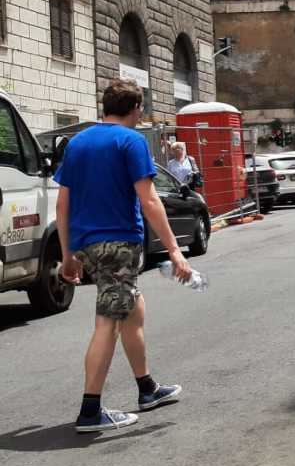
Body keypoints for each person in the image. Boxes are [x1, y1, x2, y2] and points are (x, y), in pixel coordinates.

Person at [56, 79, 194, 433]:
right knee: (109, 321)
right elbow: (149, 199)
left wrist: (68, 254)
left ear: (105, 106)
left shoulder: (78, 142)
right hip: (118, 243)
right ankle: (90, 411)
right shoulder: (131, 141)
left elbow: (63, 203)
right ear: (136, 109)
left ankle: (147, 388)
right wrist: (175, 250)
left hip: (88, 244)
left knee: (132, 308)